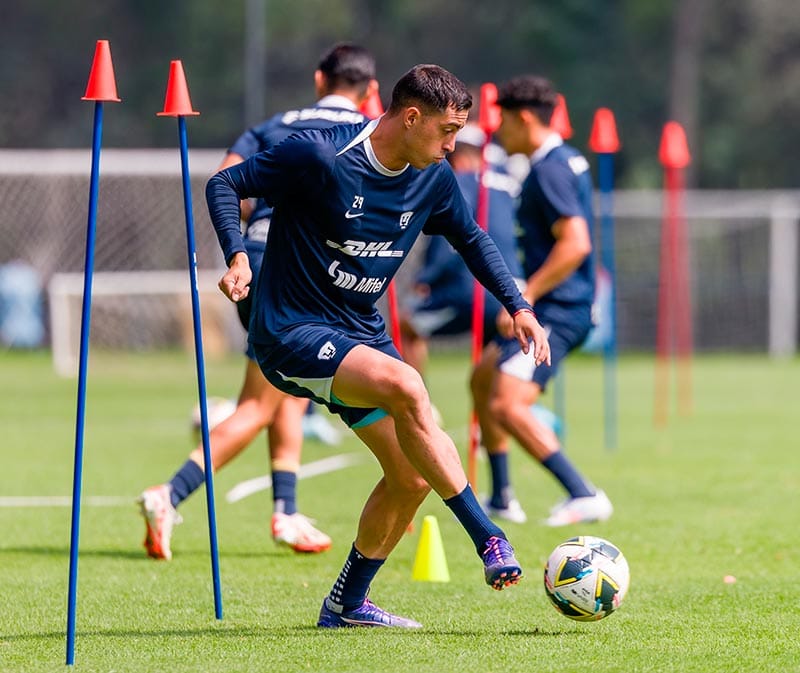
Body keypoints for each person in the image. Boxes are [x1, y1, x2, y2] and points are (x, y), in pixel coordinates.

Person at [206, 64, 551, 628]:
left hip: (359, 334)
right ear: (411, 117)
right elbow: (225, 184)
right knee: (407, 383)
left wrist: (520, 308)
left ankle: (346, 604)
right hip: (290, 332)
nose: (451, 146)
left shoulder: (433, 176)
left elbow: (472, 239)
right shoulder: (320, 156)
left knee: (412, 474)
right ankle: (488, 537)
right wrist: (238, 253)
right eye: (446, 131)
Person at [137, 43, 380, 560]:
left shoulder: (272, 124)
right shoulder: (374, 130)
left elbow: (232, 182)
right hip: (306, 269)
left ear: (319, 79)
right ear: (372, 89)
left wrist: (240, 250)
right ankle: (170, 493)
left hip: (257, 255)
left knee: (285, 386)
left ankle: (285, 512)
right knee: (259, 402)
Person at [470, 75, 613, 527]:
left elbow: (575, 244)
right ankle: (502, 496)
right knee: (482, 378)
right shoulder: (565, 160)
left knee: (506, 405)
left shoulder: (548, 168)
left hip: (558, 312)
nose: (498, 133)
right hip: (555, 306)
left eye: (503, 123)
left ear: (524, 118)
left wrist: (524, 298)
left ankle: (583, 493)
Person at [399, 123, 524, 377]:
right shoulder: (510, 185)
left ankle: (418, 406)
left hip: (472, 291)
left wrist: (426, 278)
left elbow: (448, 244)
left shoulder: (460, 181)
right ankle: (490, 415)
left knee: (406, 328)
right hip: (515, 292)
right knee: (492, 372)